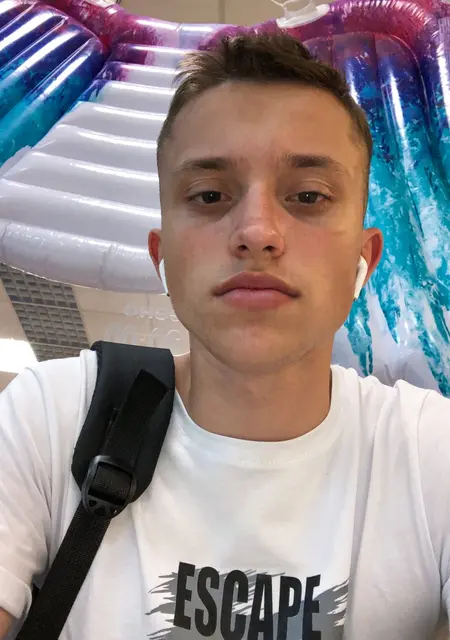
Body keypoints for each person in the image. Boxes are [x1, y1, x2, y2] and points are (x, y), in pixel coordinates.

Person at [0, 29, 449, 640]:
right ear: (162, 257)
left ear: (362, 261)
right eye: (210, 195)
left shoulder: (431, 453)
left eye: (308, 196)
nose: (257, 232)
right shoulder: (50, 420)